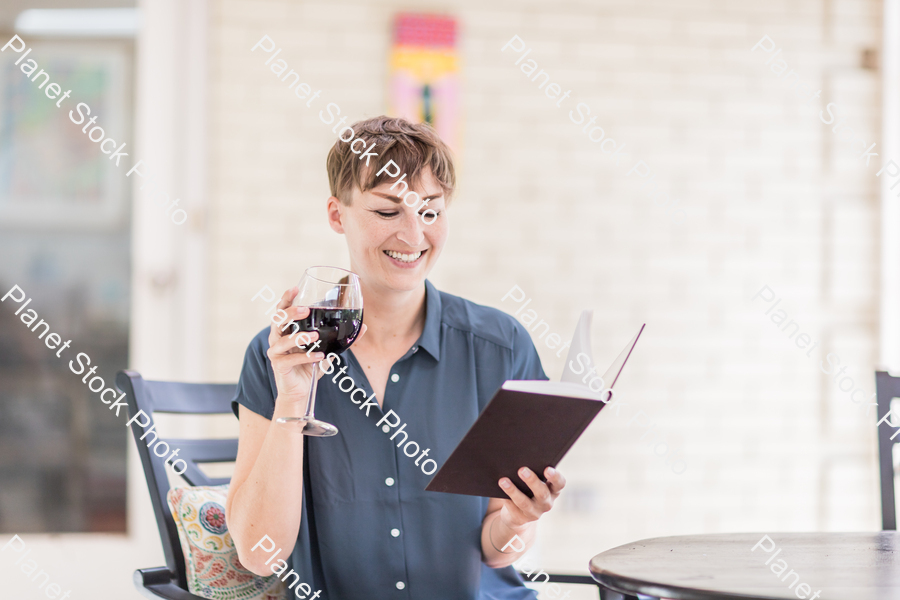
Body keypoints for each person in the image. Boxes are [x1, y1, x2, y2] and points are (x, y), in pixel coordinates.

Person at [225, 116, 566, 599]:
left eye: (430, 212)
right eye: (388, 212)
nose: (413, 236)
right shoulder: (279, 356)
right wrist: (292, 402)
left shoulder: (500, 348)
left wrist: (516, 518)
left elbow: (498, 550)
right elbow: (260, 555)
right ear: (337, 215)